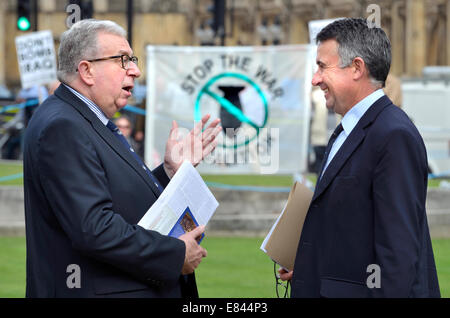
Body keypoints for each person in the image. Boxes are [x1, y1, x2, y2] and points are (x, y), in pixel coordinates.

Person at [23, 19, 221, 298]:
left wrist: (168, 171)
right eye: (123, 60)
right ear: (87, 70)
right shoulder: (63, 125)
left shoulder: (86, 119)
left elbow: (117, 197)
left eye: (133, 60)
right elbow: (94, 228)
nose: (136, 71)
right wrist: (175, 255)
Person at [279, 18, 440, 298]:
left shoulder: (393, 134)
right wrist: (311, 267)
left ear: (356, 68)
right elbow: (352, 231)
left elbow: (397, 257)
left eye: (322, 67)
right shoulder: (347, 130)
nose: (315, 79)